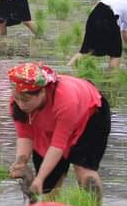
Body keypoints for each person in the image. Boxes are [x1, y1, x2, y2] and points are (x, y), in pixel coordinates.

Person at [6, 63, 110, 199]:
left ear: (42, 92)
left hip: (90, 114)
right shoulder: (17, 103)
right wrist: (21, 162)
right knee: (48, 186)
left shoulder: (65, 100)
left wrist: (39, 178)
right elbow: (25, 135)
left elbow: (58, 145)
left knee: (84, 170)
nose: (21, 104)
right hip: (49, 121)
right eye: (17, 98)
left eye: (26, 100)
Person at [69, 0, 127, 69]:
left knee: (86, 51)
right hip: (109, 15)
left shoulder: (121, 0)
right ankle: (112, 77)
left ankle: (65, 72)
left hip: (94, 14)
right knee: (115, 53)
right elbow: (124, 32)